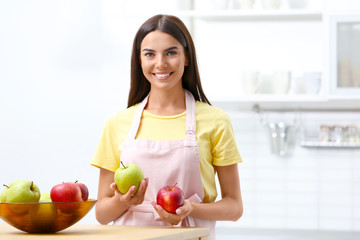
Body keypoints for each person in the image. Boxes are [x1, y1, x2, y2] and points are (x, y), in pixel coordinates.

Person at [91, 14, 243, 239]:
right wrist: (121, 202)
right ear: (140, 60)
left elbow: (234, 207)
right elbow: (102, 214)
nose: (160, 63)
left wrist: (191, 209)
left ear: (187, 57)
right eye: (150, 54)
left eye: (171, 52)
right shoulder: (117, 123)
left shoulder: (216, 121)